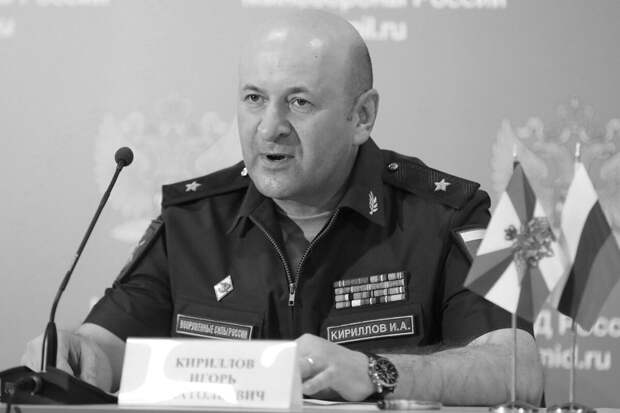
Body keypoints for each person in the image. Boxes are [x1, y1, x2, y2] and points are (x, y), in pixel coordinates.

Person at [22, 10, 542, 405]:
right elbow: (106, 348)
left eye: (299, 102)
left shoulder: (451, 213)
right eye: (254, 98)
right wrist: (77, 353)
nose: (269, 127)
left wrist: (377, 372)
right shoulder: (192, 220)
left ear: (362, 116)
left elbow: (518, 369)